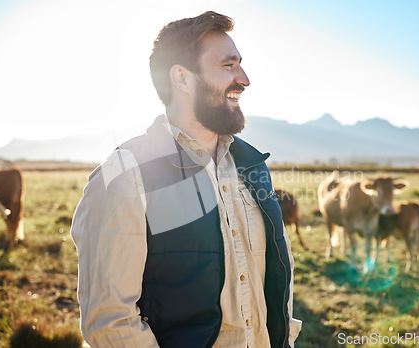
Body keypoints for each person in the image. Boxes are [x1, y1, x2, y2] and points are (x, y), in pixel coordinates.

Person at [71, 11, 302, 348]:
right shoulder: (125, 176)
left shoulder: (252, 167)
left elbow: (281, 277)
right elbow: (111, 323)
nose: (245, 79)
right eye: (228, 65)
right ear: (181, 78)